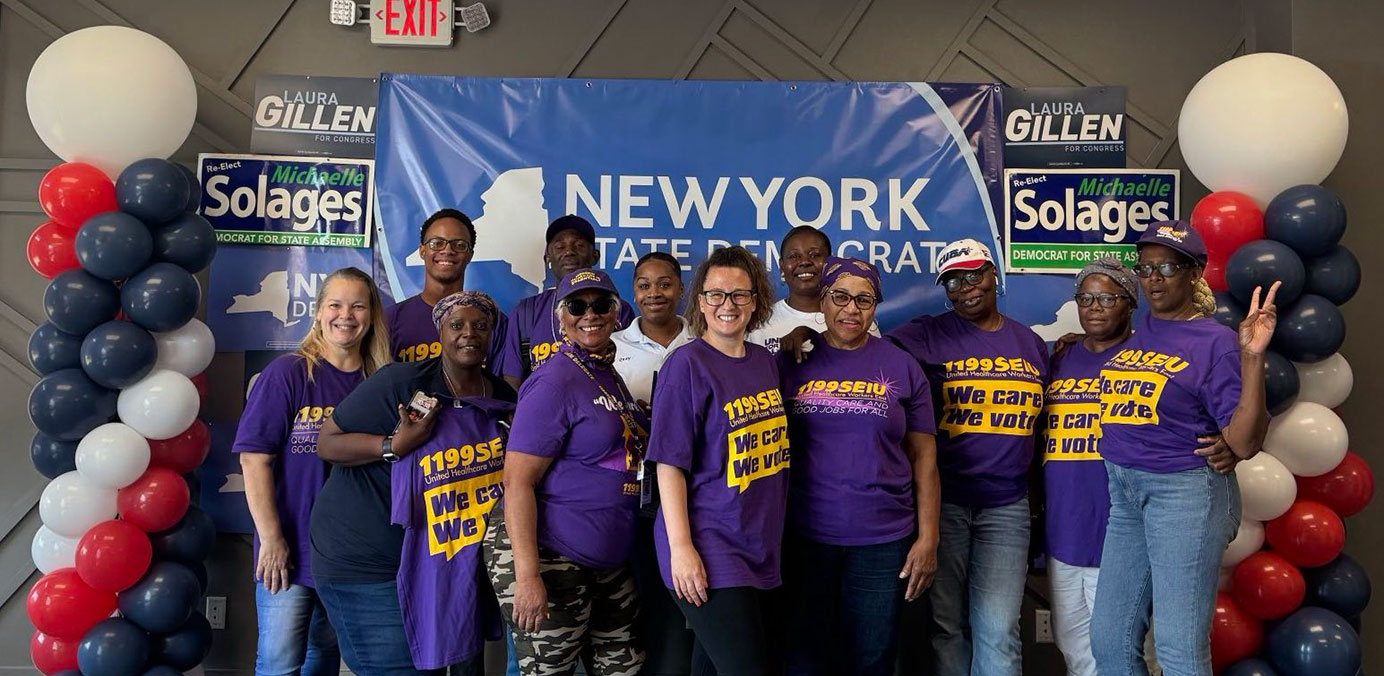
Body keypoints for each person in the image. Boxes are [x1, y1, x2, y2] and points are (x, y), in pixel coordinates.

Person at [1090, 222, 1276, 676]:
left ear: (1196, 273)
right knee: (1108, 640)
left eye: (1167, 267)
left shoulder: (1215, 342)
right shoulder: (1141, 329)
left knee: (1178, 649)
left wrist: (1251, 356)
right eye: (1146, 267)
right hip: (1126, 495)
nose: (1153, 278)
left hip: (1185, 494)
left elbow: (1245, 441)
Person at [313, 293, 519, 676]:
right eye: (456, 325)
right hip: (371, 560)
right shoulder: (401, 382)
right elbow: (328, 442)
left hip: (452, 563)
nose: (468, 334)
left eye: (480, 326)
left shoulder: (504, 398)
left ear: (493, 334)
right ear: (440, 331)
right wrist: (394, 445)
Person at [887, 238, 1048, 676]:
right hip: (946, 503)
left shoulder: (1031, 344)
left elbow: (1042, 429)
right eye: (953, 280)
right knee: (946, 624)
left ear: (993, 273)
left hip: (1008, 507)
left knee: (998, 627)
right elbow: (861, 346)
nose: (965, 288)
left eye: (974, 274)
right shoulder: (925, 333)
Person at [777, 257, 940, 676]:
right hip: (806, 536)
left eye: (864, 300)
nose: (852, 310)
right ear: (822, 302)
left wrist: (928, 539)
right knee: (805, 656)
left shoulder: (902, 366)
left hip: (883, 541)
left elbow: (924, 458)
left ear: (876, 306)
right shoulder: (793, 361)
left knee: (872, 655)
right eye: (841, 297)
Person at [485, 269, 647, 676]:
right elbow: (517, 481)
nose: (588, 314)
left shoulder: (605, 374)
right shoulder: (553, 381)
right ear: (561, 317)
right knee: (549, 670)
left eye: (600, 305)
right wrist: (527, 577)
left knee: (624, 666)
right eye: (577, 305)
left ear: (617, 314)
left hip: (606, 556)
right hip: (551, 554)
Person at [235, 267, 391, 676]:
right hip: (290, 548)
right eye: (335, 305)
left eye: (358, 306)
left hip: (348, 555)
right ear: (319, 312)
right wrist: (271, 539)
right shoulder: (289, 374)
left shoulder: (380, 382)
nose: (346, 315)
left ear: (372, 315)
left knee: (323, 658)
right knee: (279, 663)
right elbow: (254, 459)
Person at [649, 246, 789, 676]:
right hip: (710, 546)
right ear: (701, 301)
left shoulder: (764, 362)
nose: (727, 305)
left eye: (739, 295)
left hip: (757, 542)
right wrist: (682, 549)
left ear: (756, 301)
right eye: (715, 295)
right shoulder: (686, 365)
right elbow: (668, 464)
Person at [1039, 258, 1137, 676]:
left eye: (1106, 297)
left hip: (1121, 534)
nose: (1093, 307)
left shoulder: (1145, 356)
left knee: (1121, 652)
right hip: (1065, 531)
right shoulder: (1058, 358)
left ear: (1129, 303)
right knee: (1074, 651)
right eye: (1085, 298)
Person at [502, 215, 634, 384]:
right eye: (560, 246)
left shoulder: (615, 309)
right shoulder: (527, 311)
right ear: (547, 258)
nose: (569, 251)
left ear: (595, 256)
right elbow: (512, 380)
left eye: (579, 245)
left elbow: (630, 371)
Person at [385, 208, 514, 376]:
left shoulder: (491, 321)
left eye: (459, 245)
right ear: (422, 251)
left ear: (470, 255)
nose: (447, 250)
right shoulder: (390, 320)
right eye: (437, 243)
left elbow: (502, 390)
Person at [747, 226, 877, 353]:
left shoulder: (855, 319)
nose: (804, 262)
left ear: (829, 264)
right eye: (794, 256)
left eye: (815, 255)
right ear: (782, 267)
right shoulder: (761, 322)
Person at [613, 251, 695, 404]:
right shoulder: (611, 346)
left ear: (681, 289)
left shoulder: (704, 342)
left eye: (665, 285)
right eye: (644, 286)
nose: (654, 293)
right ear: (635, 294)